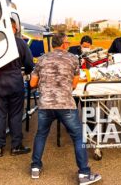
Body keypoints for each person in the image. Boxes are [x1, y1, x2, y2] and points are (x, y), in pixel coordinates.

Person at [30, 33, 101, 185]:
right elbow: (75, 84)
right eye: (67, 42)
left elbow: (32, 83)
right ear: (63, 44)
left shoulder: (42, 59)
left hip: (45, 104)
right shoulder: (72, 59)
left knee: (41, 134)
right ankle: (84, 173)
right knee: (77, 137)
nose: (68, 44)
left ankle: (35, 167)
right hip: (65, 104)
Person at [0, 18, 34, 157]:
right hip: (15, 81)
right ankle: (16, 146)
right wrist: (25, 72)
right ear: (14, 28)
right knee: (15, 115)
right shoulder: (21, 43)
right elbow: (30, 64)